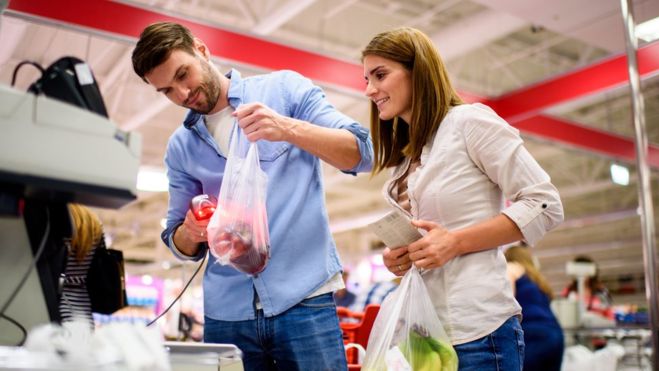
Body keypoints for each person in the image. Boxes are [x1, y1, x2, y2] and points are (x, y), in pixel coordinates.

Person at [131, 22, 373, 370]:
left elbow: (362, 153)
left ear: (201, 49)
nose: (183, 93)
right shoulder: (180, 148)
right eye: (167, 90)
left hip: (304, 300)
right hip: (227, 315)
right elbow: (176, 240)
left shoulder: (283, 90)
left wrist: (287, 128)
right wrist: (190, 232)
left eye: (184, 74)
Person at [361, 27, 564, 370]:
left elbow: (544, 203)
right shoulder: (408, 158)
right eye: (366, 78)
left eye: (380, 75)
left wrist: (454, 242)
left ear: (418, 70)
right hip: (425, 336)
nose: (370, 89)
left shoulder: (470, 122)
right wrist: (403, 254)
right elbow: (434, 237)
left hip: (479, 333)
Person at [505, 244, 564, 371]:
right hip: (555, 334)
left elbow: (507, 301)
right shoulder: (536, 278)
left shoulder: (510, 267)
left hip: (533, 334)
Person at [58, 203, 105, 329]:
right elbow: (99, 268)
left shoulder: (57, 217)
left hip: (53, 306)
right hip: (83, 310)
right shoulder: (93, 222)